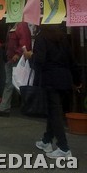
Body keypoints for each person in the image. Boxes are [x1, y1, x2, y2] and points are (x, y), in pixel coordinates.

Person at [32, 24, 81, 158]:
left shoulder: (41, 37)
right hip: (65, 79)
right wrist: (77, 80)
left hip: (50, 79)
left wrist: (30, 56)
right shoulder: (62, 37)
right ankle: (46, 140)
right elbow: (72, 60)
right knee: (54, 111)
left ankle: (63, 147)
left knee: (55, 113)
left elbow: (39, 60)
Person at [0, 21, 32, 116]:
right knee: (11, 82)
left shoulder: (20, 25)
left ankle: (5, 107)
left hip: (16, 59)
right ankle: (6, 106)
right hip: (11, 58)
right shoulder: (14, 25)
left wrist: (18, 54)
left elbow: (25, 42)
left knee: (13, 83)